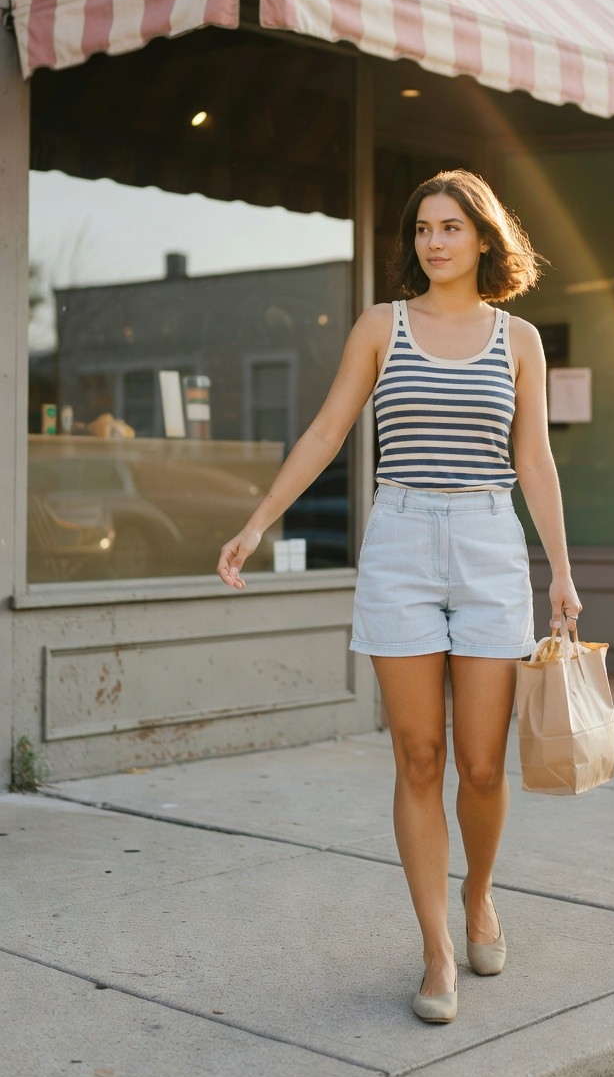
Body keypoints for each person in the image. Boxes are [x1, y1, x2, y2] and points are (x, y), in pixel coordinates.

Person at [217, 170, 582, 1024]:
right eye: (423, 228)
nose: (434, 242)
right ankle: (435, 948)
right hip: (403, 544)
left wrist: (560, 570)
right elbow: (326, 430)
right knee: (418, 757)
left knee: (483, 765)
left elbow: (535, 461)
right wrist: (258, 522)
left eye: (452, 227)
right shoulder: (383, 327)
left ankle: (480, 895)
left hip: (492, 545)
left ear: (483, 239)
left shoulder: (517, 339)